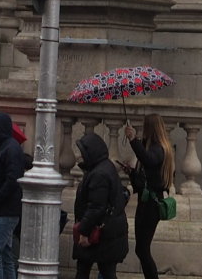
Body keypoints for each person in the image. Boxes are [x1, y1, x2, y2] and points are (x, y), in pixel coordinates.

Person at [71, 133, 129, 279]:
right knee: (102, 271)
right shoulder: (104, 167)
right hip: (108, 232)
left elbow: (96, 207)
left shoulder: (99, 174)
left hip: (101, 234)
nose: (80, 156)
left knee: (89, 270)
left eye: (83, 153)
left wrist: (84, 232)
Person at [120, 117, 170, 279]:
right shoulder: (153, 148)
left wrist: (133, 140)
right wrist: (132, 173)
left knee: (142, 249)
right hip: (146, 202)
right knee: (141, 249)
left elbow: (148, 160)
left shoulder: (159, 149)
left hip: (151, 205)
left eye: (145, 127)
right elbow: (144, 180)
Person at [0, 113, 27, 279]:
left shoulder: (10, 149)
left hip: (4, 211)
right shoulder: (4, 148)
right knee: (6, 255)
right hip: (5, 210)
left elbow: (13, 180)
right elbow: (4, 178)